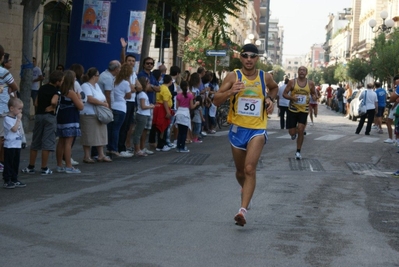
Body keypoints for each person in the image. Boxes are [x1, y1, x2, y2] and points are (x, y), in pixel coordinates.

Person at [213, 43, 278, 227]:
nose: (249, 59)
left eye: (253, 56)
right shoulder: (233, 76)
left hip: (257, 128)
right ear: (240, 58)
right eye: (245, 56)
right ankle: (246, 191)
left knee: (250, 169)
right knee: (240, 171)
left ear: (257, 59)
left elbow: (273, 88)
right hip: (237, 129)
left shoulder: (265, 77)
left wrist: (270, 99)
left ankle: (242, 210)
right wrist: (230, 91)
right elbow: (216, 100)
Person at [22, 70, 63, 175]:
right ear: (57, 81)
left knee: (36, 141)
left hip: (39, 115)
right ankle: (44, 167)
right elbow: (54, 101)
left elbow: (36, 102)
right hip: (49, 117)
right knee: (47, 142)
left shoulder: (42, 88)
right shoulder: (56, 91)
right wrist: (52, 106)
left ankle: (31, 166)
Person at [283, 66, 317, 160]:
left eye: (304, 70)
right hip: (292, 110)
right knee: (292, 132)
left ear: (306, 73)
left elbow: (314, 93)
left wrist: (314, 97)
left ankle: (298, 151)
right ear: (297, 72)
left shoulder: (310, 83)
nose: (302, 71)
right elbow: (284, 94)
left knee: (301, 129)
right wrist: (292, 98)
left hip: (304, 110)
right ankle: (294, 133)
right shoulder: (292, 82)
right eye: (300, 70)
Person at [80, 67, 112, 163]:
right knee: (88, 134)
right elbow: (90, 99)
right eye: (98, 75)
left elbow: (102, 96)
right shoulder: (86, 86)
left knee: (101, 134)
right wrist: (103, 104)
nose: (98, 77)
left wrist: (105, 103)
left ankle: (101, 154)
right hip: (89, 113)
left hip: (99, 113)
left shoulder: (96, 86)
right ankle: (86, 155)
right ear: (94, 76)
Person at [55, 70, 84, 174]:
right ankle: (68, 165)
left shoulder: (60, 91)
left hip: (62, 117)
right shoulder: (71, 92)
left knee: (61, 141)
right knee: (68, 142)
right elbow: (80, 106)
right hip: (71, 118)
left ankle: (59, 164)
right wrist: (79, 98)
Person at [107, 63, 133, 157]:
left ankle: (109, 147)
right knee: (117, 129)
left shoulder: (114, 80)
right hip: (121, 107)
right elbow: (129, 95)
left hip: (113, 106)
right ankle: (114, 148)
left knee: (111, 128)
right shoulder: (126, 83)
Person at [3, 98, 25, 189]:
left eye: (21, 109)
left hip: (17, 144)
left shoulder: (17, 118)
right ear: (12, 108)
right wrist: (18, 120)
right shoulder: (7, 119)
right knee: (9, 163)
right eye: (19, 109)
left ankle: (14, 178)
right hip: (10, 145)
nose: (21, 111)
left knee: (16, 162)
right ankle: (7, 180)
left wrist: (23, 140)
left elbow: (20, 131)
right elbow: (14, 129)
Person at [133, 77, 154, 156]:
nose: (149, 85)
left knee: (139, 132)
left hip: (144, 114)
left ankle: (138, 149)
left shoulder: (143, 94)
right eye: (148, 83)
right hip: (142, 114)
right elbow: (143, 106)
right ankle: (137, 149)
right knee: (138, 133)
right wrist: (150, 106)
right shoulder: (142, 94)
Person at [175, 81, 198, 152]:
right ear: (187, 86)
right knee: (184, 132)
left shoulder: (178, 96)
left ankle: (178, 147)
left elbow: (177, 106)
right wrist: (196, 104)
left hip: (179, 113)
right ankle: (183, 147)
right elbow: (191, 106)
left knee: (180, 132)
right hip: (185, 113)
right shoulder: (190, 95)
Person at [153, 74, 173, 152]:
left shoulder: (161, 87)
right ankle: (161, 145)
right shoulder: (165, 89)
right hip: (163, 109)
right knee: (163, 127)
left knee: (160, 126)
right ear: (170, 81)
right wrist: (168, 112)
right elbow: (165, 101)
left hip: (159, 107)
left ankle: (161, 144)